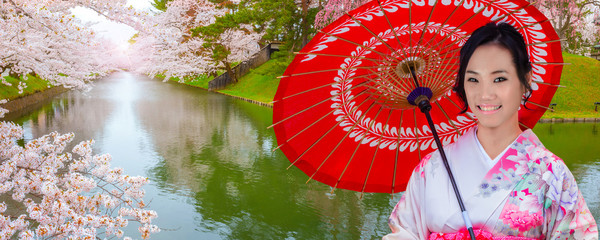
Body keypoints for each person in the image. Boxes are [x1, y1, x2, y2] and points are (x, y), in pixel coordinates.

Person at [383, 22, 598, 240]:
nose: (485, 94)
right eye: (473, 79)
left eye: (499, 79)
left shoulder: (551, 174)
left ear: (526, 80)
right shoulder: (431, 168)